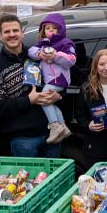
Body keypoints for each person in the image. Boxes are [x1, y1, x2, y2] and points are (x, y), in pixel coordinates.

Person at [0, 14, 63, 158]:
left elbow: (60, 78)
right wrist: (28, 100)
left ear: (22, 33)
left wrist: (58, 96)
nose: (12, 35)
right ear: (0, 36)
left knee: (54, 179)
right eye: (7, 32)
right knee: (28, 180)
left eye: (15, 30)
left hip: (51, 132)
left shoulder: (38, 55)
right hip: (23, 139)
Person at [27, 13, 76, 144]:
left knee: (43, 98)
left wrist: (56, 56)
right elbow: (31, 51)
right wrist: (39, 54)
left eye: (54, 28)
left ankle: (54, 125)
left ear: (60, 30)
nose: (51, 31)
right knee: (50, 101)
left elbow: (71, 60)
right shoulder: (43, 43)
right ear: (43, 30)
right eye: (48, 28)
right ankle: (62, 126)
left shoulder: (65, 43)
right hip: (50, 79)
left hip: (60, 79)